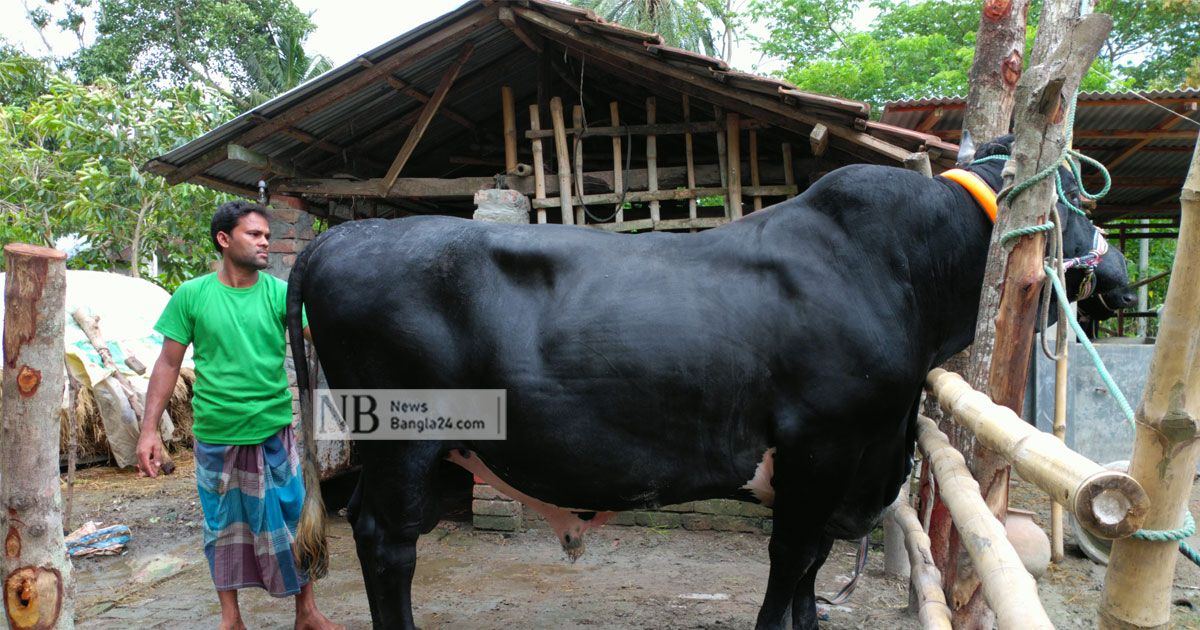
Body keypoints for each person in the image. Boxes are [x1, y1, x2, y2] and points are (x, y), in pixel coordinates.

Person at [137, 201, 341, 630]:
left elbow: (321, 336)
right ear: (224, 239)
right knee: (222, 528)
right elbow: (168, 364)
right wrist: (148, 430)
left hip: (273, 431)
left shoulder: (281, 294)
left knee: (292, 521)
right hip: (217, 434)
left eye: (267, 235)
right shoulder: (192, 295)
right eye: (254, 234)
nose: (264, 241)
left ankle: (307, 613)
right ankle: (231, 619)